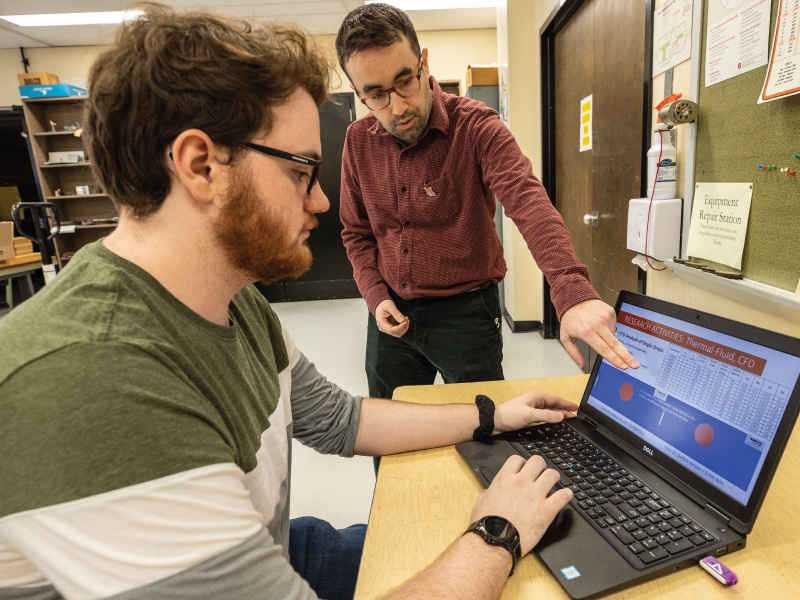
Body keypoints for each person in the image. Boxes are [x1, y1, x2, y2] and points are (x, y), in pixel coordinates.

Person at [0, 4, 577, 600]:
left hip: (277, 543)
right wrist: (497, 531)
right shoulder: (96, 377)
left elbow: (338, 419)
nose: (320, 202)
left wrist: (491, 414)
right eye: (301, 170)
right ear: (202, 167)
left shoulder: (236, 304)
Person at [335, 4, 639, 410]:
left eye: (405, 82)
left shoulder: (476, 126)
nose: (398, 107)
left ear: (424, 62)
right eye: (376, 95)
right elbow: (356, 233)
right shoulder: (358, 141)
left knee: (485, 423)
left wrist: (571, 289)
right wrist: (375, 296)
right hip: (391, 315)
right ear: (359, 93)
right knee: (391, 424)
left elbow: (528, 201)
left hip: (467, 314)